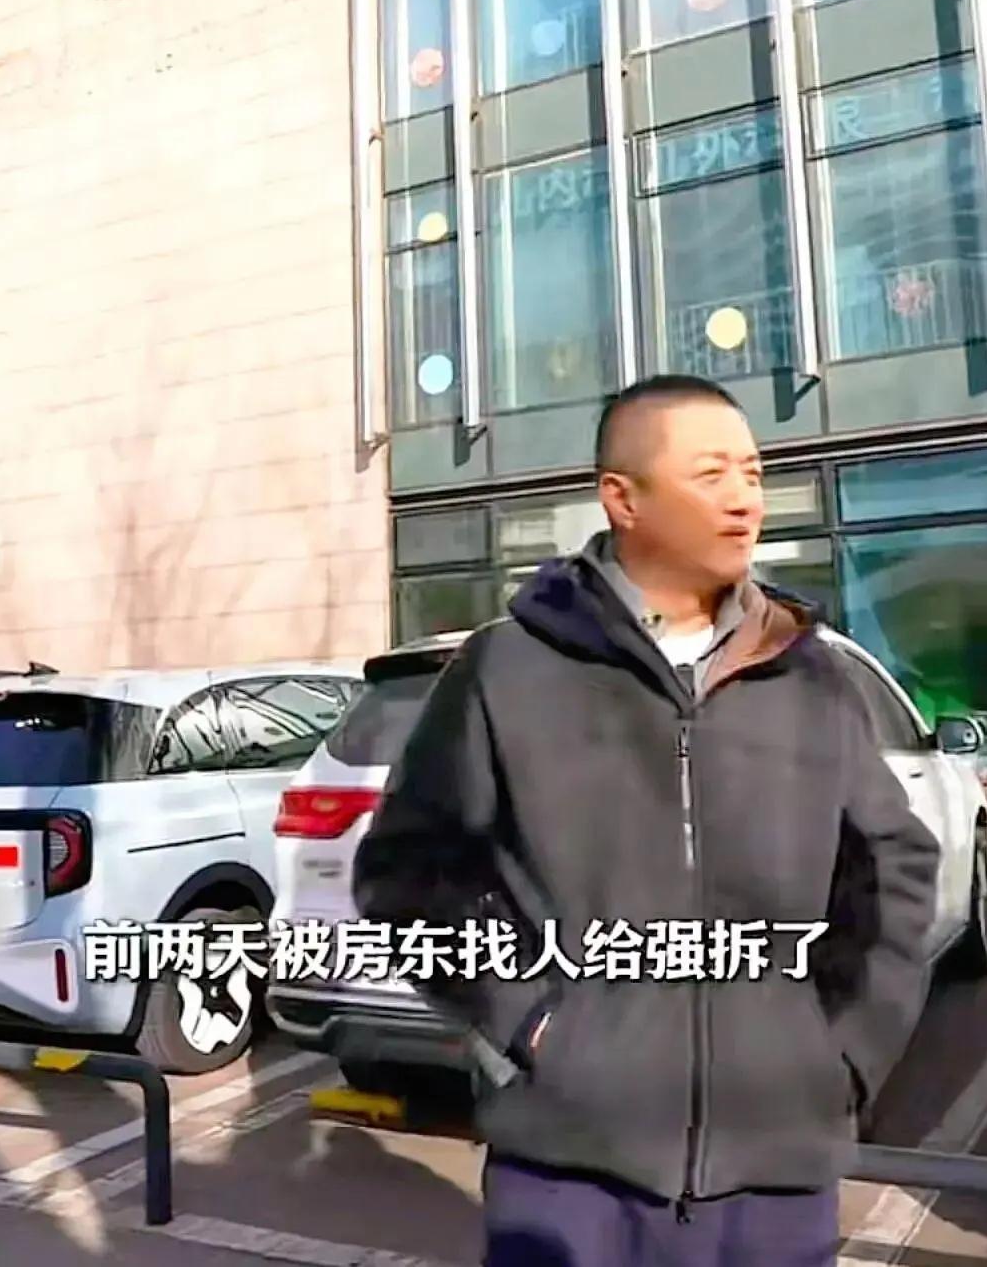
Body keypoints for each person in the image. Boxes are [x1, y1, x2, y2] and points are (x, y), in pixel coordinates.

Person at [352, 374, 940, 1267]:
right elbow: (407, 876)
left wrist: (844, 1054)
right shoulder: (507, 671)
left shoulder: (805, 672)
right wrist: (531, 1023)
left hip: (774, 1171)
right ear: (622, 499)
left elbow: (892, 866)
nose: (744, 499)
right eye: (710, 474)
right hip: (569, 1170)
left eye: (752, 472)